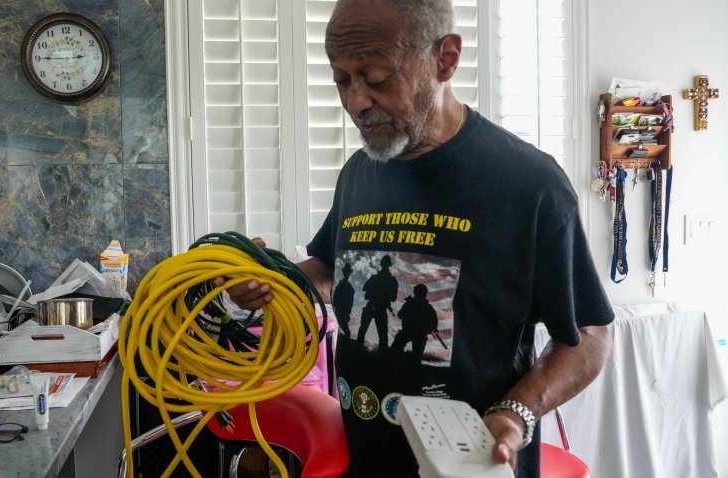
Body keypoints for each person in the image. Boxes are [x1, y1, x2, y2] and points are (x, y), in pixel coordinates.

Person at [216, 0, 614, 476]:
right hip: (364, 456)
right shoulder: (361, 172)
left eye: (377, 78)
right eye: (341, 79)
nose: (355, 102)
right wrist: (272, 279)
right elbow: (330, 269)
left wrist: (517, 412)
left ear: (445, 58)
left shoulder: (529, 185)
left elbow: (589, 335)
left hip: (471, 463)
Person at [357, 255, 398, 351]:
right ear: (389, 265)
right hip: (377, 308)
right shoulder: (391, 281)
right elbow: (393, 298)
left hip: (375, 307)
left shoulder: (376, 278)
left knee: (367, 332)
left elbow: (365, 290)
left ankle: (357, 352)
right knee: (381, 336)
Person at [391, 283, 439, 361]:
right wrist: (432, 328)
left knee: (397, 350)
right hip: (416, 333)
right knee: (416, 356)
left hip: (411, 332)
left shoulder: (410, 304)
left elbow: (400, 315)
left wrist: (431, 328)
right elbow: (434, 322)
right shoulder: (427, 307)